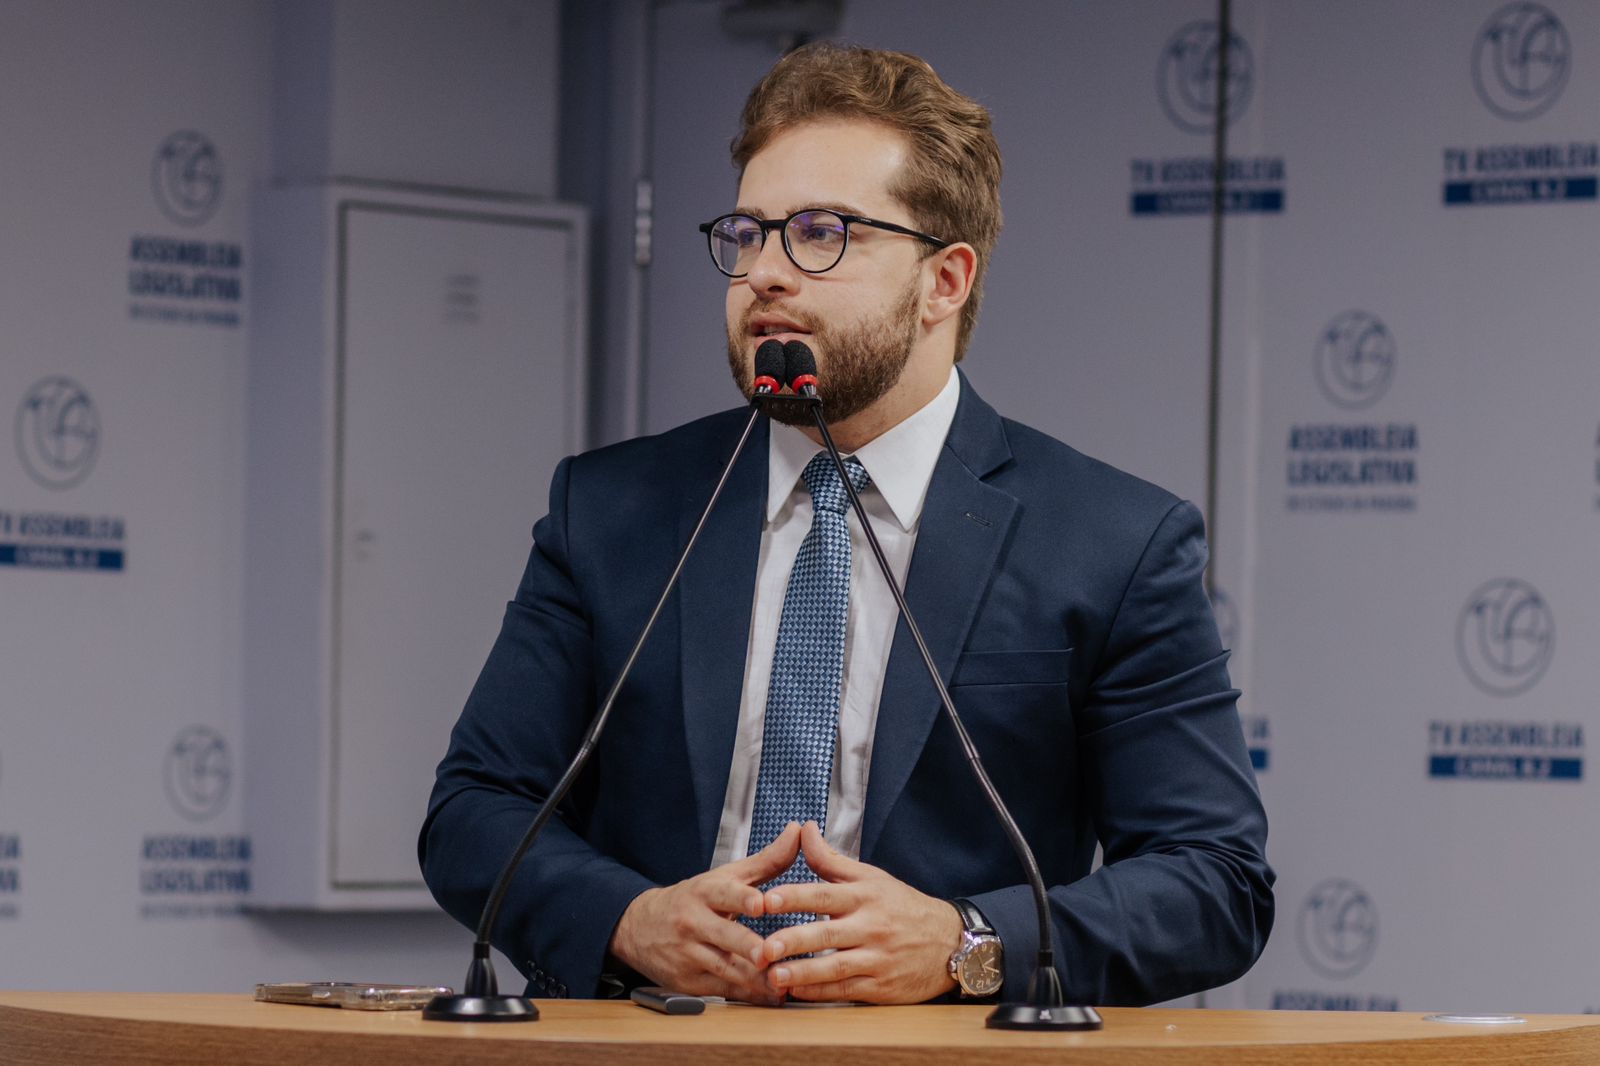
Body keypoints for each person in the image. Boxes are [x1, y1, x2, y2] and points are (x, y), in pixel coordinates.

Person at [420, 41, 1272, 1008]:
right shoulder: (613, 510)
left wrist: (967, 941)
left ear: (944, 282)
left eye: (820, 233)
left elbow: (1215, 882)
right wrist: (628, 919)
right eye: (748, 233)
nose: (765, 274)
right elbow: (474, 811)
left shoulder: (1111, 542)